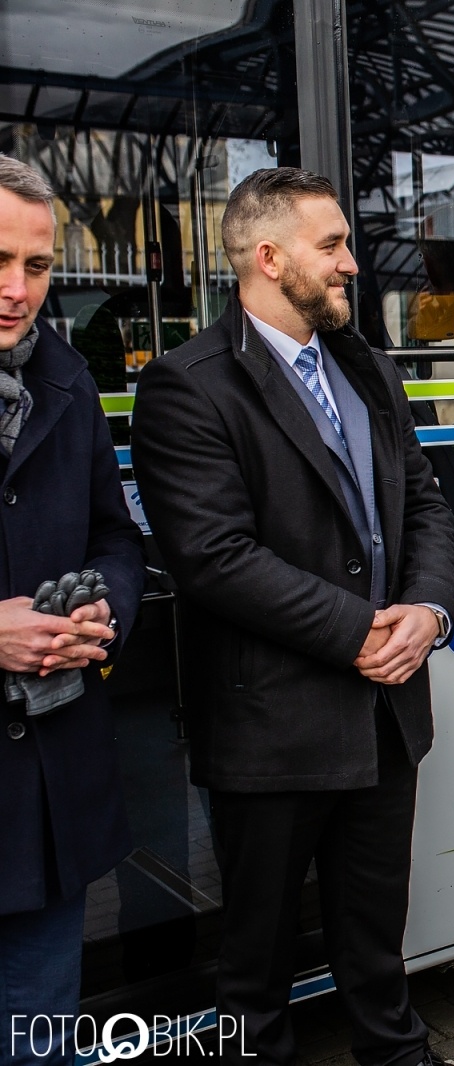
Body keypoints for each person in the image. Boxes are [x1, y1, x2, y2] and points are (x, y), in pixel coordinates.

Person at [130, 168, 454, 1066]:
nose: (352, 263)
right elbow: (214, 559)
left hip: (385, 718)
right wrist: (365, 631)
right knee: (257, 966)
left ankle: (398, 1054)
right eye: (334, 246)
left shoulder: (365, 365)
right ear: (270, 259)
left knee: (376, 941)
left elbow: (425, 503)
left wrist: (427, 608)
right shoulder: (187, 387)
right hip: (272, 731)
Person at [0, 155, 144, 1066]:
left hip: (46, 793)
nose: (16, 290)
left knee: (39, 1037)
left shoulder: (67, 377)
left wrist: (104, 613)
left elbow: (115, 536)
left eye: (38, 266)